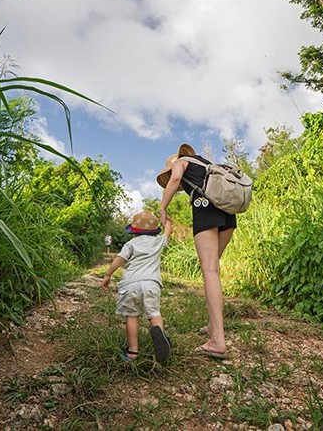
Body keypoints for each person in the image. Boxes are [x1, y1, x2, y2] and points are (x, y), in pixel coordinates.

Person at [156, 143, 235, 359]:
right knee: (213, 270)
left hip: (205, 206)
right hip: (228, 211)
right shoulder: (206, 165)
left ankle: (217, 340)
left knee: (209, 272)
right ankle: (212, 326)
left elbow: (173, 179)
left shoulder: (181, 162)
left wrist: (163, 207)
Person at [101, 211, 173, 362]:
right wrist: (167, 220)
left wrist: (108, 275)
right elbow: (167, 231)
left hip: (131, 284)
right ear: (154, 231)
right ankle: (160, 334)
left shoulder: (131, 244)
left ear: (133, 231)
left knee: (132, 316)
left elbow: (119, 259)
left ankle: (133, 352)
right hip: (151, 284)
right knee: (154, 314)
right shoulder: (158, 242)